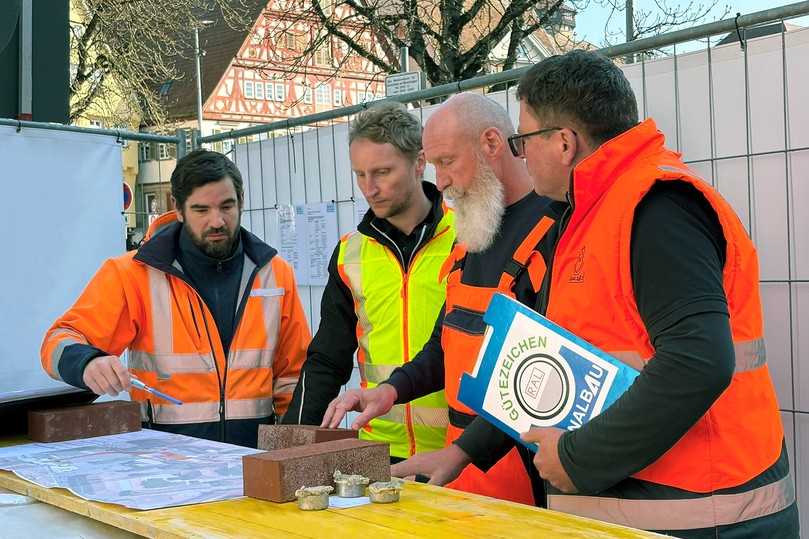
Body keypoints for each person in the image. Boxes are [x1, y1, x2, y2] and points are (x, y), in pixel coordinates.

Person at [500, 50, 797, 537]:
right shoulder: (594, 213)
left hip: (708, 517)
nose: (522, 155)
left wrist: (578, 458)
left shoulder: (656, 207)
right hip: (662, 512)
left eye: (523, 140)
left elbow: (699, 360)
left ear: (563, 143)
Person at [320, 93, 565, 505]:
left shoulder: (556, 230)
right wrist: (391, 391)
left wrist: (466, 450)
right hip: (463, 476)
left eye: (446, 162)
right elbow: (445, 346)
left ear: (491, 144)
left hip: (530, 477)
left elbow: (543, 378)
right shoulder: (473, 234)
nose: (441, 180)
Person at [41, 150, 311, 449]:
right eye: (201, 210)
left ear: (241, 202)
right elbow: (58, 340)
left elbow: (294, 375)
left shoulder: (275, 274)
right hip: (163, 464)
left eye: (226, 206)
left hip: (253, 460)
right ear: (178, 209)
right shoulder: (132, 274)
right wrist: (88, 363)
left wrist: (293, 446)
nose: (217, 221)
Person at [281, 101, 455, 462]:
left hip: (461, 452)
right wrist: (291, 442)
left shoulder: (468, 237)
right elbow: (328, 359)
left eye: (382, 172)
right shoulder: (350, 253)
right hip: (378, 449)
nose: (369, 188)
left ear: (419, 162)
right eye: (360, 174)